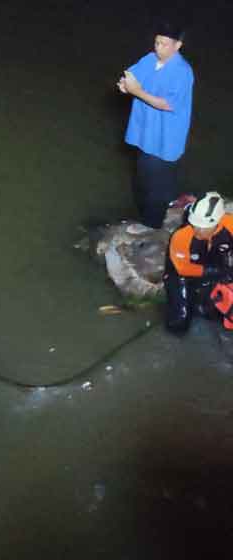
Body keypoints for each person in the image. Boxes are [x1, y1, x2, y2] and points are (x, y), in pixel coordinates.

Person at [117, 21, 194, 229]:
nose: (158, 47)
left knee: (156, 188)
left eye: (164, 44)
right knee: (141, 180)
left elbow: (168, 104)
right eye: (157, 42)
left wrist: (136, 91)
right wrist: (125, 84)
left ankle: (152, 227)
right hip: (145, 134)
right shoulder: (150, 59)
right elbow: (133, 75)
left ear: (178, 45)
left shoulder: (182, 72)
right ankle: (146, 216)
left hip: (164, 140)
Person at [164, 192, 233, 333]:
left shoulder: (230, 225)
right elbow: (183, 269)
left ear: (218, 221)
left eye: (203, 227)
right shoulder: (181, 236)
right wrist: (216, 271)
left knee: (215, 312)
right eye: (195, 225)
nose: (198, 230)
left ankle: (202, 302)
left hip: (214, 261)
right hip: (181, 273)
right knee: (179, 323)